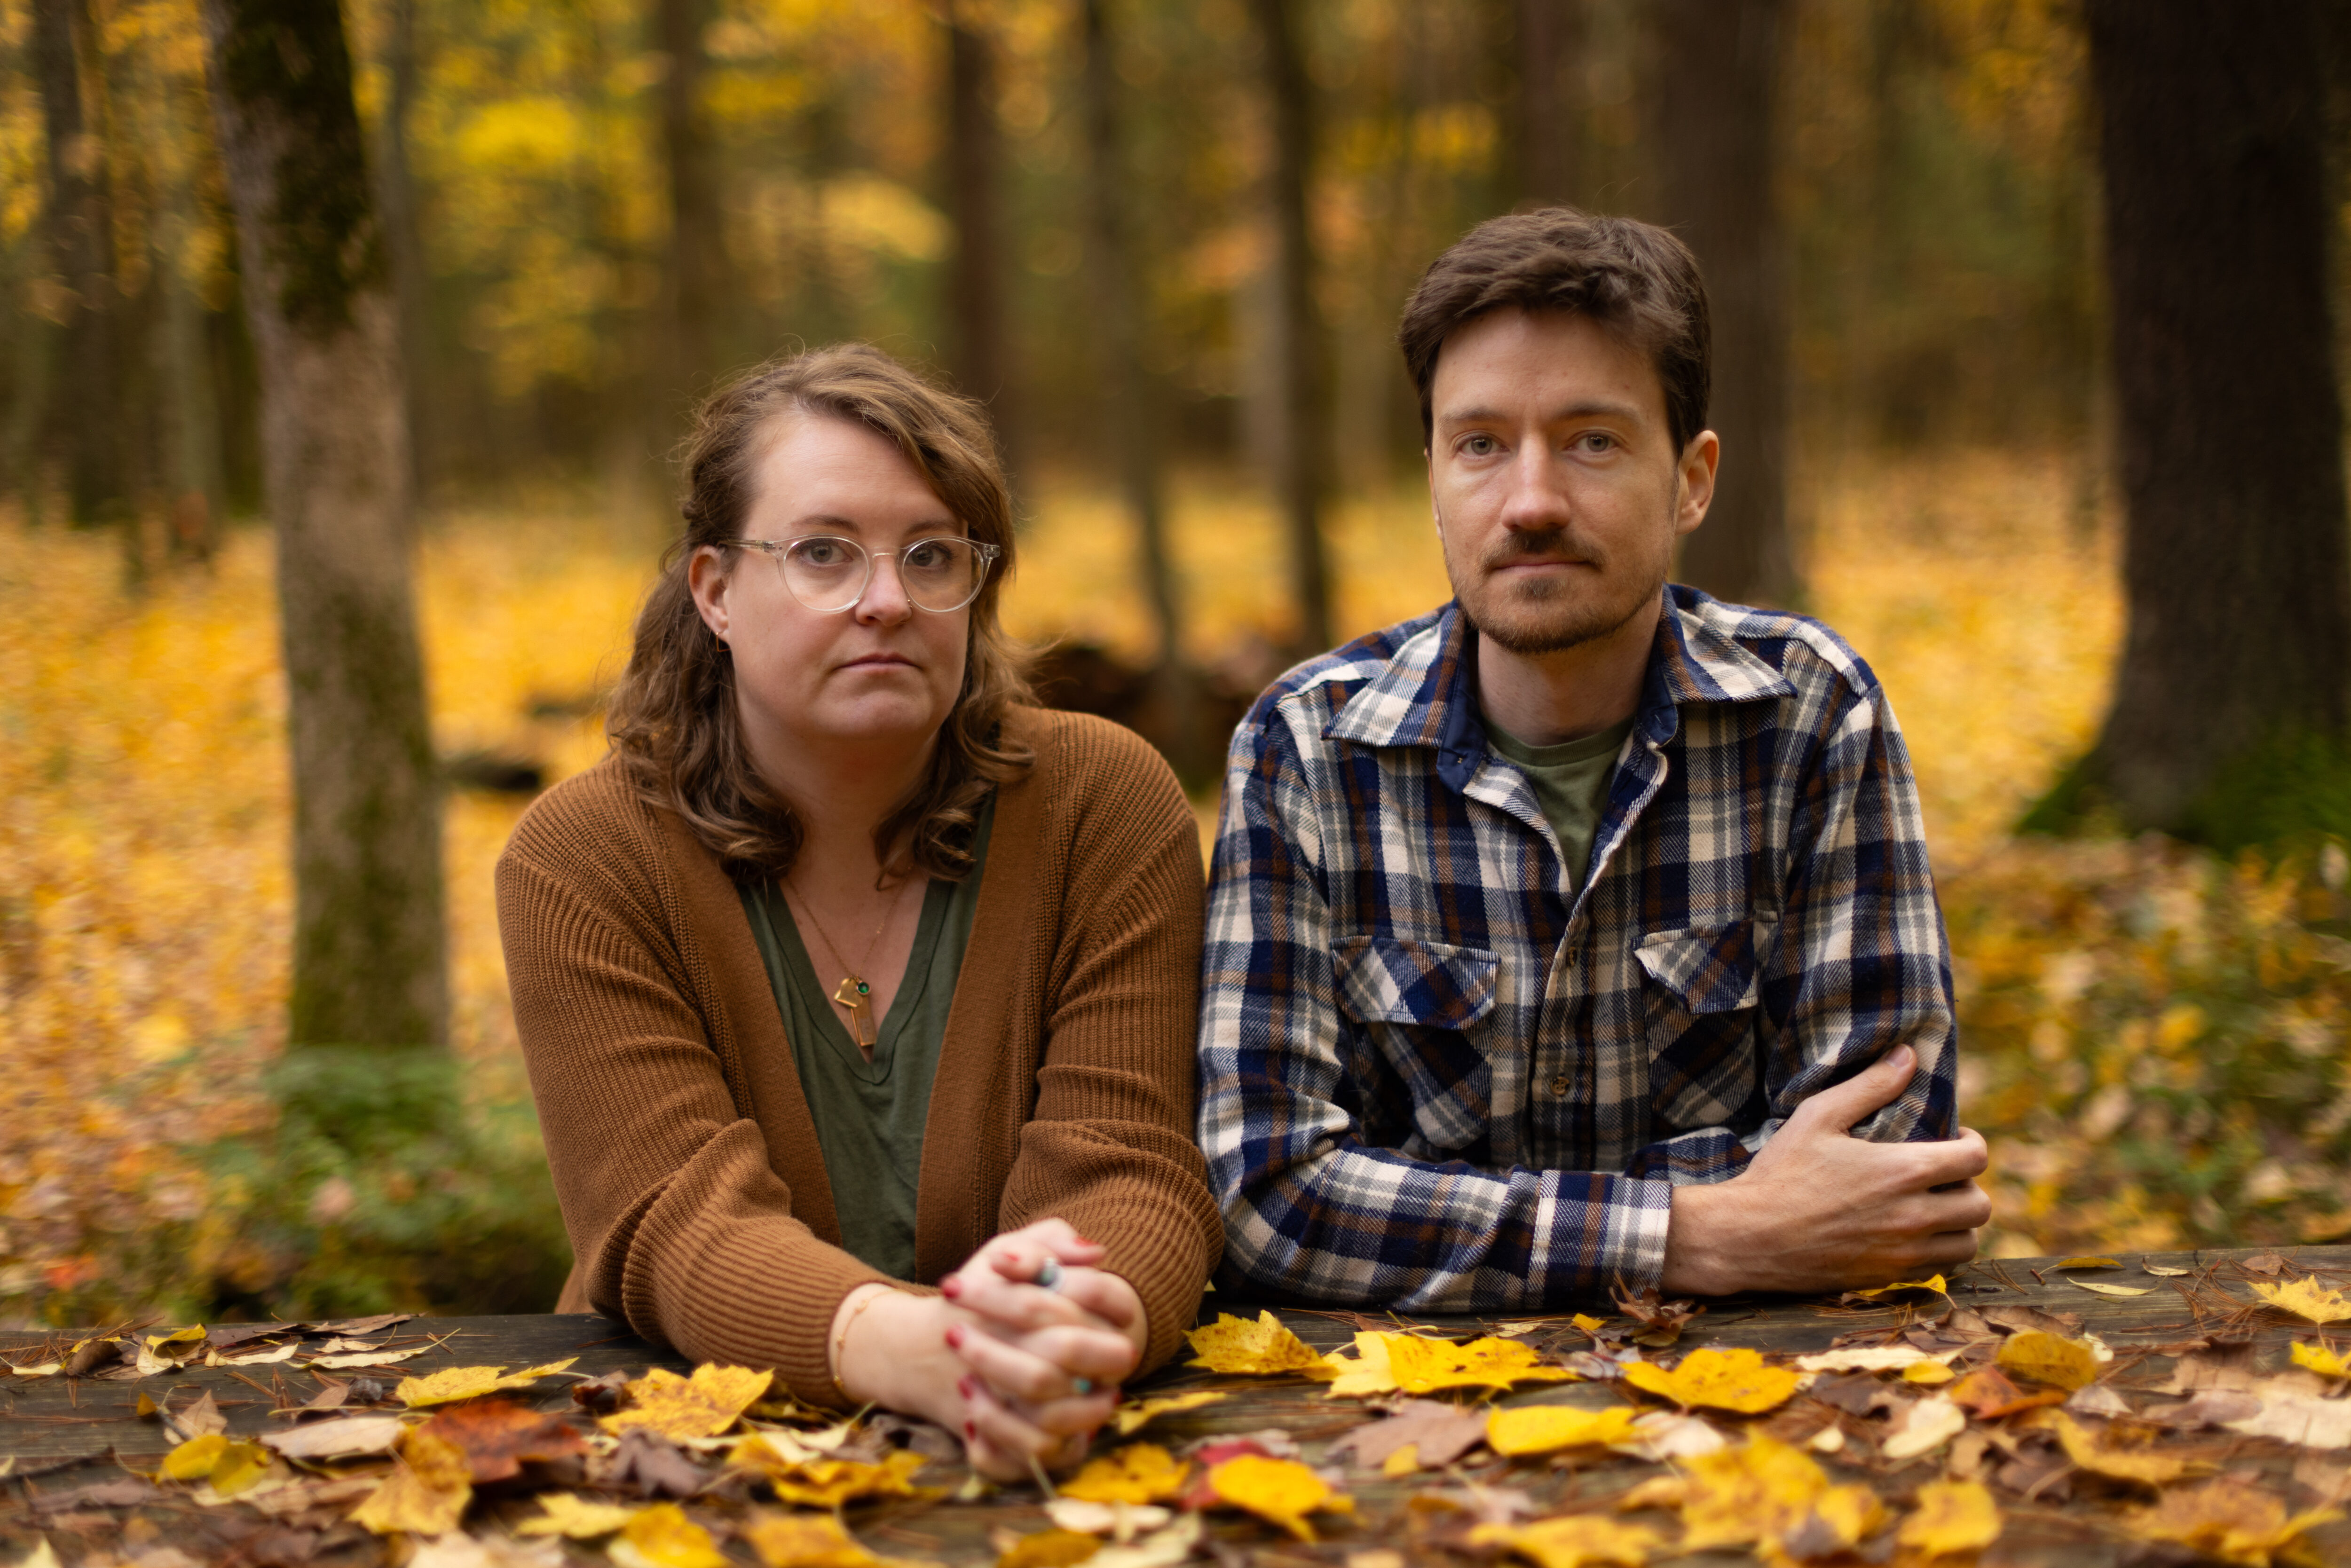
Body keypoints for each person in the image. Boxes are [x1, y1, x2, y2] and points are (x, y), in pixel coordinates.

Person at [1198, 209, 1991, 1310]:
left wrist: (1435, 1212)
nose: (1529, 501)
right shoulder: (1306, 752)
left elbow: (1885, 1161)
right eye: (1480, 444)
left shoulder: (1810, 715)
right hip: (1393, 1434)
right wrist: (1695, 1234)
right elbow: (1263, 1195)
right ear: (1431, 474)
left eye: (1592, 441)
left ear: (1693, 479)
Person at [498, 344, 1221, 1476]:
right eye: (822, 554)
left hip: (1061, 1439)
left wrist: (1068, 1332)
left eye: (932, 556)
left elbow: (1127, 1169)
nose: (886, 600)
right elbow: (673, 1221)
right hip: (688, 1464)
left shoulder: (1099, 805)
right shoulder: (585, 861)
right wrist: (917, 1348)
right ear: (716, 590)